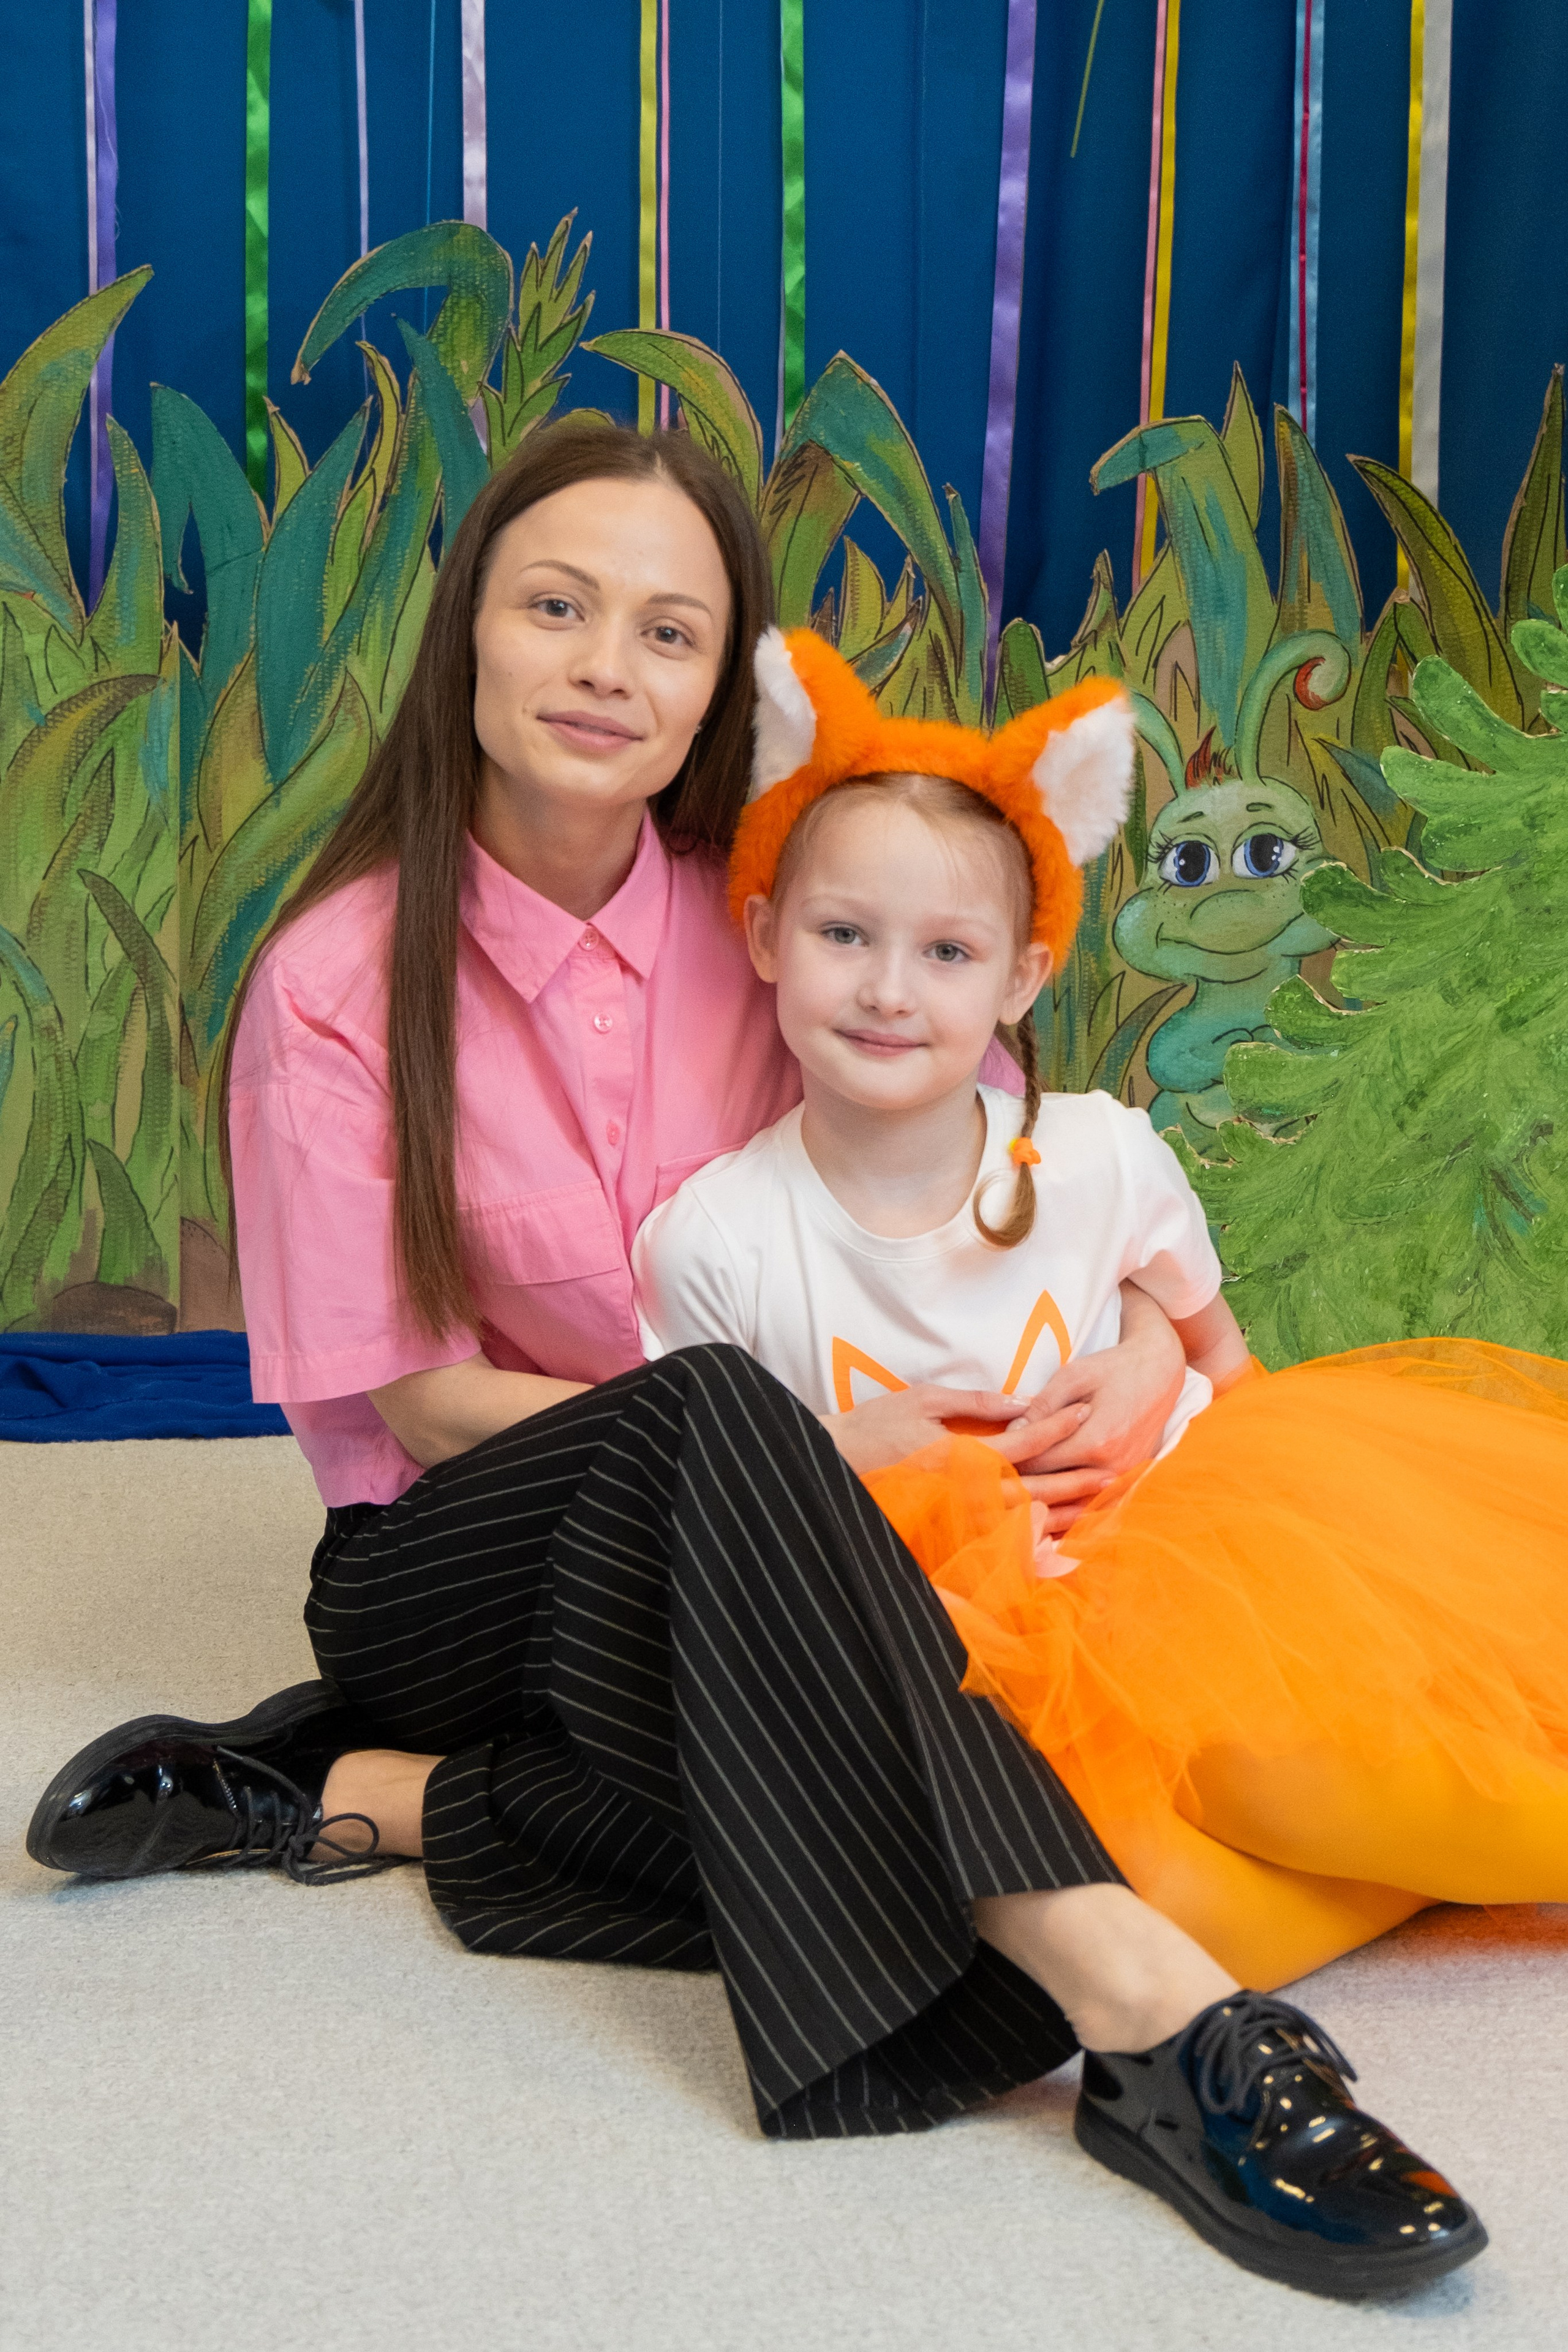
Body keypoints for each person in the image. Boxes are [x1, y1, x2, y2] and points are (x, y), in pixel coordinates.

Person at [25, 424, 1476, 2304]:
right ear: (471, 631)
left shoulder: (787, 905)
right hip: (458, 1561)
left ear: (724, 687)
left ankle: (371, 1797)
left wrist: (1133, 1340)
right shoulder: (332, 982)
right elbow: (427, 1406)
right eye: (558, 608)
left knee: (910, 1736)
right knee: (722, 1417)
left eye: (670, 632)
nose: (606, 668)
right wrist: (808, 1447)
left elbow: (1017, 1168)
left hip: (787, 1563)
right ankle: (1149, 2014)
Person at [636, 624, 1568, 2284]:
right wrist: (852, 1446)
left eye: (944, 951)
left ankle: (1463, 1838)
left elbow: (1228, 1363)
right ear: (767, 938)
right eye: (845, 935)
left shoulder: (1097, 1158)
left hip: (1194, 1549)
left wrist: (1185, 1398)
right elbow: (711, 1519)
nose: (887, 986)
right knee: (1129, 1892)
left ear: (1022, 977)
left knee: (1348, 1747)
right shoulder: (716, 1235)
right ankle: (1381, 1898)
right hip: (979, 1651)